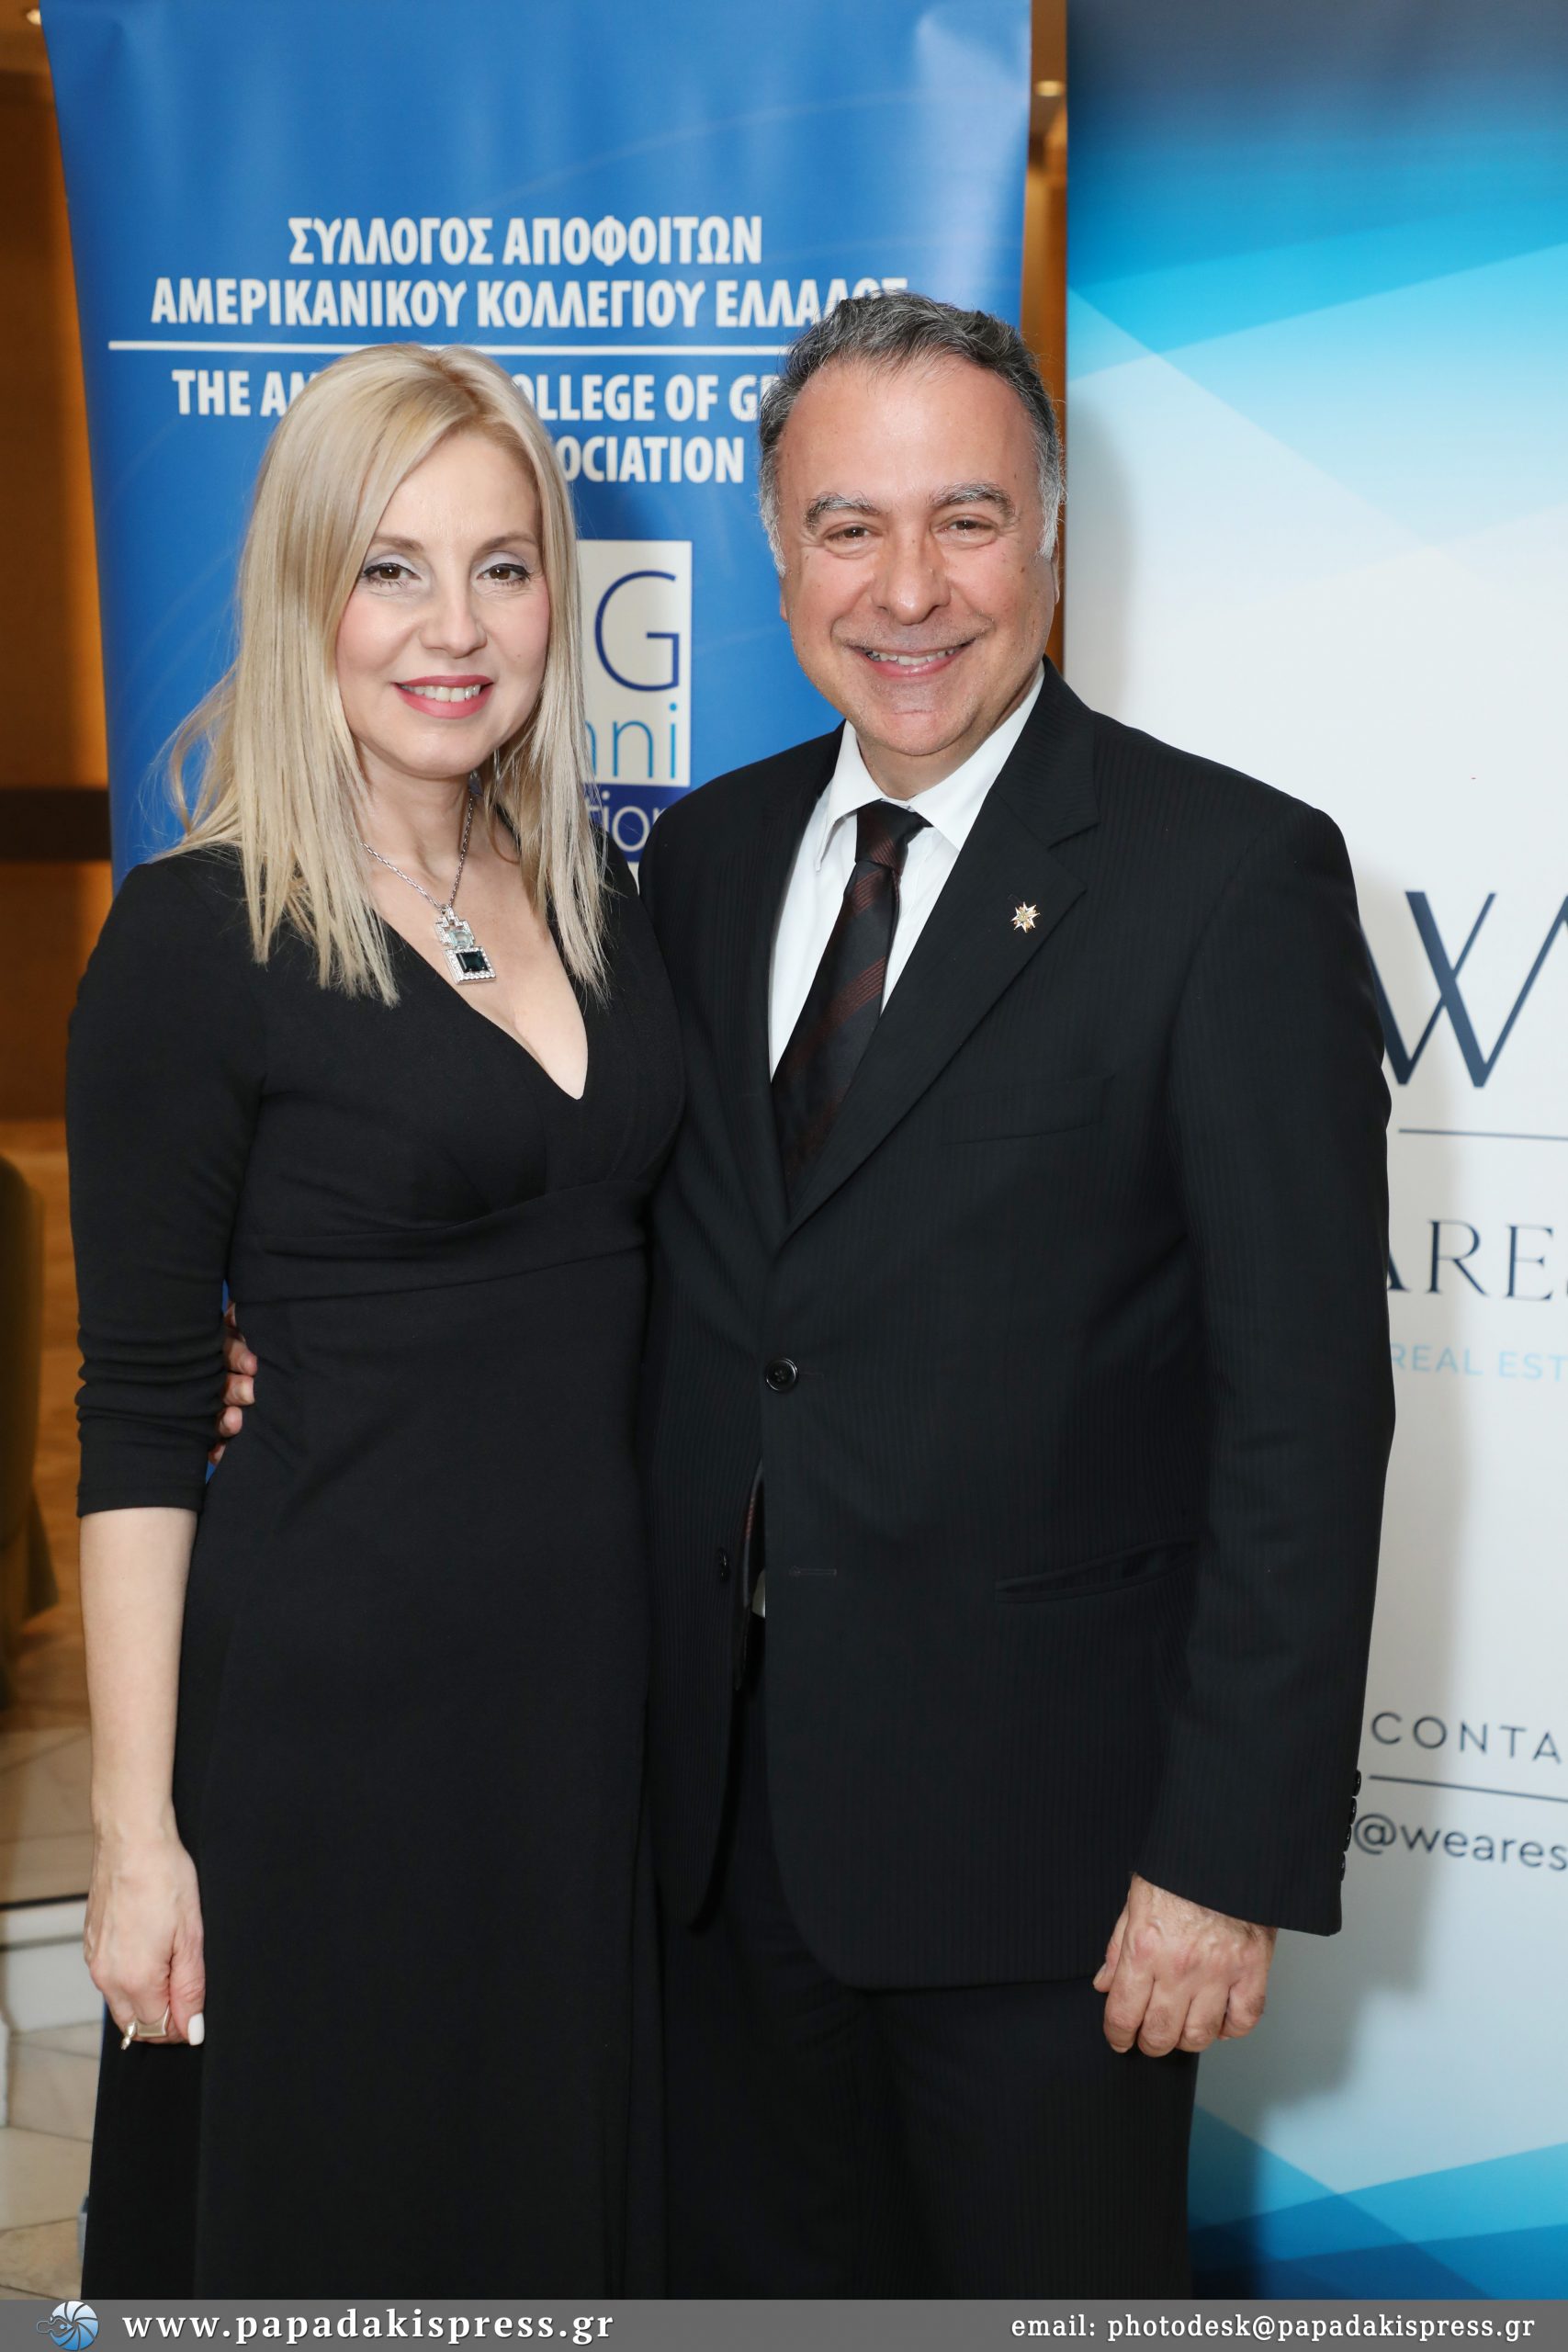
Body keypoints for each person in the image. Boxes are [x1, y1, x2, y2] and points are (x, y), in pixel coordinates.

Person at [631, 293, 1394, 2294]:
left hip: (1054, 1883)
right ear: (774, 551)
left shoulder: (1225, 877)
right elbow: (648, 1271)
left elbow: (1306, 1415)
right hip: (713, 1850)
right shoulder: (697, 864)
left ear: (1048, 536)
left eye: (964, 520)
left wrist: (1218, 1859)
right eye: (847, 525)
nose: (907, 590)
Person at [68, 344, 679, 2294]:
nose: (455, 626)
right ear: (303, 592)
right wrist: (136, 1834)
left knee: (550, 2215)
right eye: (391, 569)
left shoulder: (597, 892)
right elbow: (143, 1415)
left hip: (581, 1715)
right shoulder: (195, 936)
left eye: (503, 567)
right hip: (327, 1734)